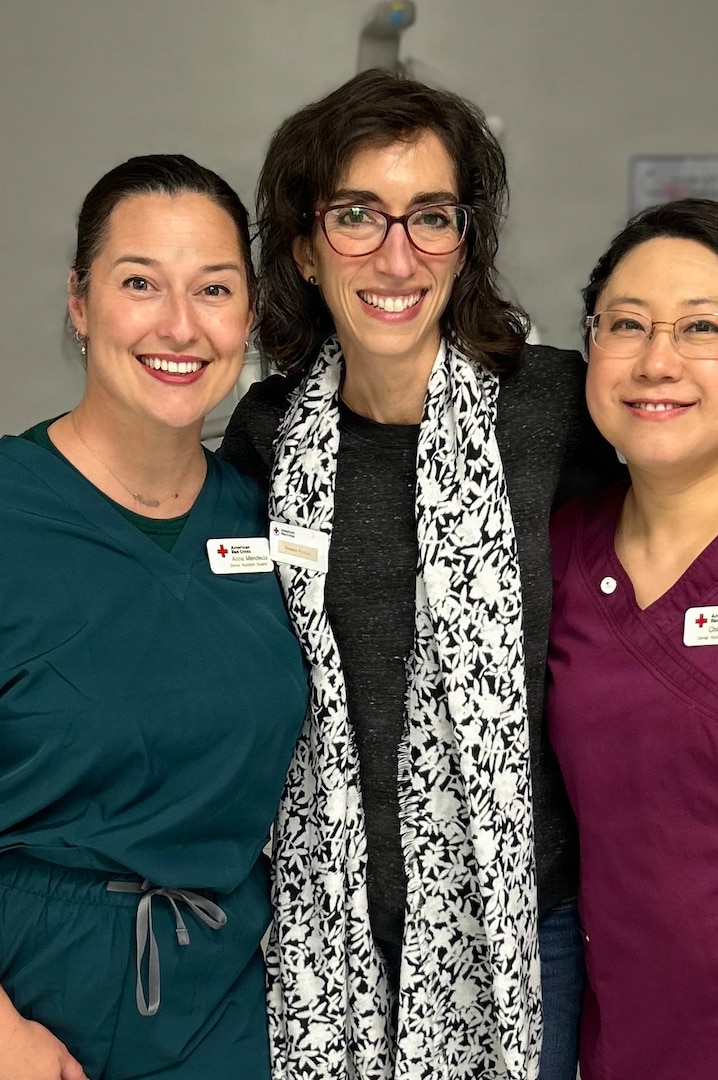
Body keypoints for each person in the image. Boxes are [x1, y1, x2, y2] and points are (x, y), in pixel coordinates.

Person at [222, 69, 617, 1080]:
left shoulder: (556, 409)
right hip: (324, 936)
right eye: (357, 215)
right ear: (305, 247)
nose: (396, 256)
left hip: (527, 931)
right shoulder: (266, 437)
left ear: (465, 238)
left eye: (429, 216)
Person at [0, 154, 308, 1080]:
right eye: (140, 283)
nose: (180, 325)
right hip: (28, 993)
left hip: (225, 1003)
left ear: (249, 317)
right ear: (80, 302)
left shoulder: (277, 521)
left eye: (213, 289)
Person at [545, 198, 718, 1079]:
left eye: (702, 327)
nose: (657, 362)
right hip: (622, 1041)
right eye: (626, 325)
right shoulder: (561, 554)